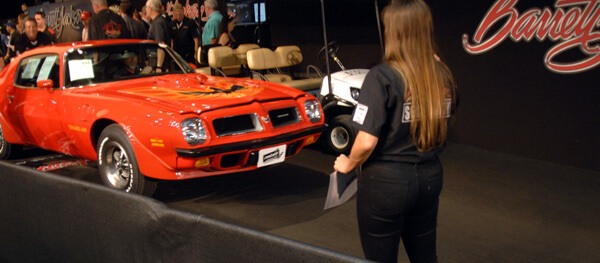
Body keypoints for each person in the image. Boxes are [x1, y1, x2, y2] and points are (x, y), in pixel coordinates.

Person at [332, 1, 456, 262]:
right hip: (430, 177)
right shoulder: (443, 74)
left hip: (386, 183)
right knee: (425, 257)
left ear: (395, 33)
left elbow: (366, 142)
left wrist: (348, 163)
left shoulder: (382, 76)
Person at [145, 0, 170, 73]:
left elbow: (161, 46)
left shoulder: (157, 23)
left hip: (159, 65)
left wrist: (159, 67)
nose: (145, 9)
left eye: (146, 7)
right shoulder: (160, 21)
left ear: (150, 9)